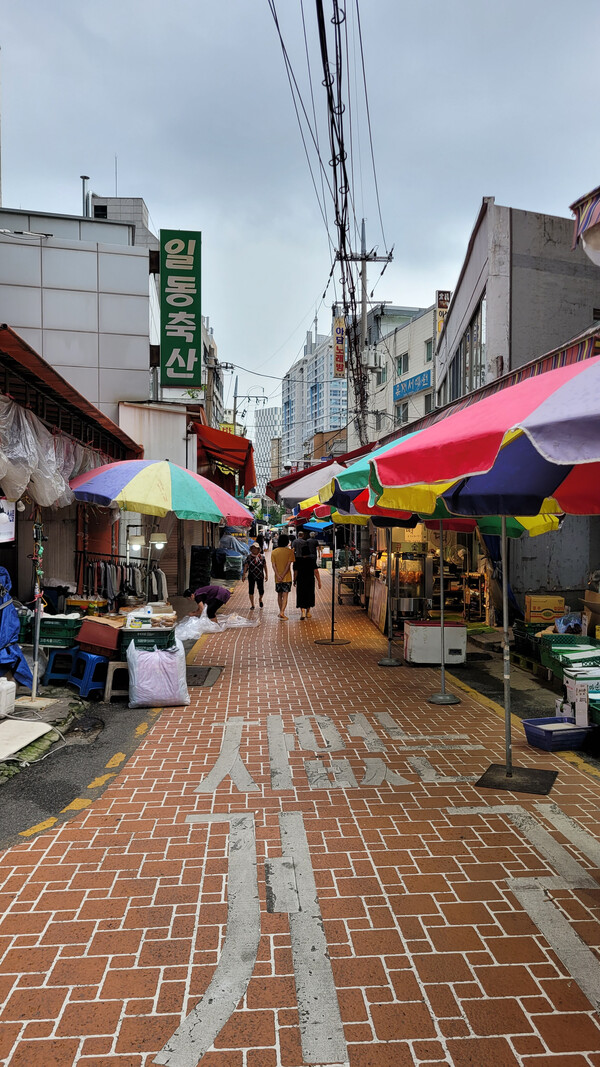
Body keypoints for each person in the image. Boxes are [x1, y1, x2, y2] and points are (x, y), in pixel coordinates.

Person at [293, 540, 321, 620]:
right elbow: (316, 572)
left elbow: (296, 572)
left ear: (302, 552)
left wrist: (294, 580)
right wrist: (319, 581)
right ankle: (308, 612)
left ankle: (302, 612)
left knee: (301, 594)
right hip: (310, 580)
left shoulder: (298, 560)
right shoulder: (312, 560)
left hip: (301, 580)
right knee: (309, 594)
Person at [271, 533, 295, 620]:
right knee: (285, 595)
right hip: (287, 577)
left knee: (279, 595)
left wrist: (278, 575)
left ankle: (280, 611)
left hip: (277, 578)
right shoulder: (290, 552)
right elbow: (288, 565)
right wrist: (283, 575)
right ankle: (282, 612)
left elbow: (273, 565)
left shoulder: (274, 552)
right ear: (287, 542)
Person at [242, 543, 268, 609]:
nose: (254, 549)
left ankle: (260, 599)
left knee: (261, 590)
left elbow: (265, 566)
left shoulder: (262, 557)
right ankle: (252, 605)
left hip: (260, 575)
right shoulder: (249, 557)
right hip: (251, 575)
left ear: (258, 549)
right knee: (251, 590)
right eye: (253, 548)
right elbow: (246, 566)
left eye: (255, 548)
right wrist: (244, 574)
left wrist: (266, 575)